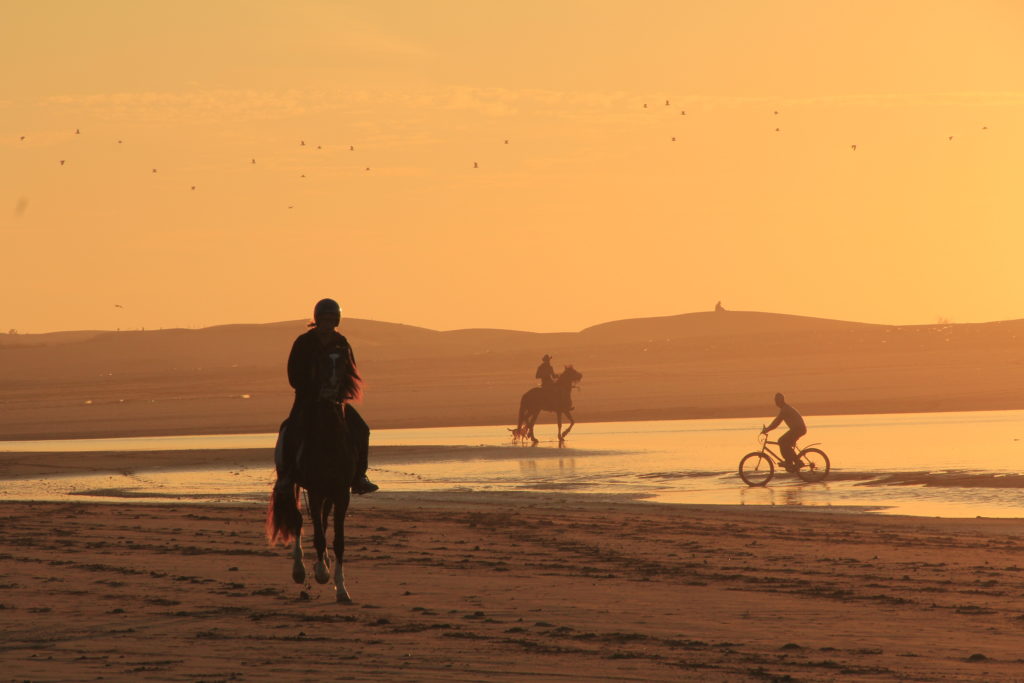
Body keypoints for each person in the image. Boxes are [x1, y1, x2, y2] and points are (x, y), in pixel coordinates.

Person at [286, 298, 378, 495]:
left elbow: (350, 372)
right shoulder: (304, 343)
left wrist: (341, 393)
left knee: (362, 430)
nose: (327, 324)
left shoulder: (341, 343)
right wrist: (313, 390)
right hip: (307, 400)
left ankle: (359, 477)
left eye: (331, 320)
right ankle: (286, 476)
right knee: (290, 429)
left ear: (336, 322)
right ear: (317, 320)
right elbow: (293, 375)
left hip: (336, 402)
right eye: (324, 320)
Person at [762, 392, 806, 470]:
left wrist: (767, 430)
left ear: (780, 401)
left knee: (781, 441)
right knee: (786, 444)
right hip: (797, 429)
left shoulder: (785, 410)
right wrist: (767, 429)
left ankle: (793, 462)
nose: (775, 402)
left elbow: (776, 423)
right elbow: (776, 421)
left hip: (798, 429)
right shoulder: (785, 408)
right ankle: (791, 462)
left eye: (776, 400)